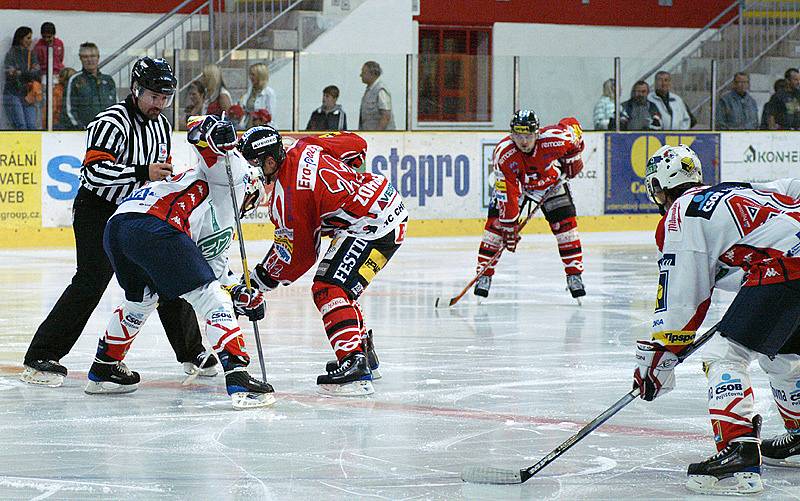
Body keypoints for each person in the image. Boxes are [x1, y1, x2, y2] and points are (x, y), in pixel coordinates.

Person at [20, 57, 210, 387]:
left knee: (165, 271)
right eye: (153, 96)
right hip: (98, 209)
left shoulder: (162, 126)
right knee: (92, 278)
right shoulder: (112, 122)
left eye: (165, 97)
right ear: (136, 90)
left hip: (135, 213)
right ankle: (42, 354)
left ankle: (192, 352)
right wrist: (141, 172)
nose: (160, 104)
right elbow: (92, 173)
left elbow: (156, 175)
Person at [632, 144, 800, 495]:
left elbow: (682, 292)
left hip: (785, 268)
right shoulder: (734, 189)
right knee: (781, 348)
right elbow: (790, 187)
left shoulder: (681, 213)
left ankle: (738, 451)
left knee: (725, 355)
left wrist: (662, 352)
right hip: (789, 261)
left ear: (661, 186)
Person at [84, 114, 275, 409]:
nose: (248, 209)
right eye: (252, 202)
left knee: (141, 301)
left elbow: (215, 266)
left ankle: (104, 368)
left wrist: (239, 291)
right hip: (155, 225)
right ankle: (239, 377)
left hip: (119, 227)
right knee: (211, 300)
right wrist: (213, 131)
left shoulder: (215, 212)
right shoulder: (233, 178)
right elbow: (203, 138)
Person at [240, 126, 406, 396]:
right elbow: (356, 144)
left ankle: (354, 362)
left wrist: (258, 280)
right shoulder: (301, 145)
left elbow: (298, 256)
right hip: (382, 205)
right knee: (341, 284)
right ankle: (363, 352)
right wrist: (344, 180)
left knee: (329, 289)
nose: (253, 172)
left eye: (255, 164)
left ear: (270, 161)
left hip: (371, 226)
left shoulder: (288, 200)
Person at [473, 109, 586, 299]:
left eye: (528, 135)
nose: (523, 141)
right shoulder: (504, 154)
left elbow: (573, 125)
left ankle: (574, 275)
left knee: (566, 228)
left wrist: (574, 156)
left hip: (551, 182)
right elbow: (506, 192)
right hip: (520, 186)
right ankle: (484, 275)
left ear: (537, 133)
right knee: (495, 228)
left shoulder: (555, 139)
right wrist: (509, 225)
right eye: (518, 135)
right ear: (512, 134)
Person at [62, 42, 116, 130]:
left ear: (98, 57)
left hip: (107, 133)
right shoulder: (75, 80)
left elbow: (115, 108)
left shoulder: (108, 80)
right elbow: (68, 110)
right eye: (85, 57)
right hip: (82, 135)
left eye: (93, 56)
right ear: (80, 58)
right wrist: (82, 128)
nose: (89, 60)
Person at [3, 26, 40, 130]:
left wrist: (20, 72)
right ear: (20, 38)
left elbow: (36, 73)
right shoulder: (11, 54)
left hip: (28, 94)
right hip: (13, 93)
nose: (30, 41)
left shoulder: (31, 54)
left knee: (32, 126)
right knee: (21, 125)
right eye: (28, 38)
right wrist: (27, 73)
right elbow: (10, 73)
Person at [233, 62, 275, 128]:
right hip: (248, 126)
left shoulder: (268, 93)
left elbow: (271, 116)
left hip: (261, 129)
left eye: (253, 75)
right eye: (250, 74)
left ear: (260, 76)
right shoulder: (250, 90)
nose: (250, 77)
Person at [359, 61, 395, 130]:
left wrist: (376, 134)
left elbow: (386, 116)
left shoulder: (381, 90)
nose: (361, 75)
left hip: (381, 138)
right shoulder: (369, 90)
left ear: (372, 74)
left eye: (364, 72)